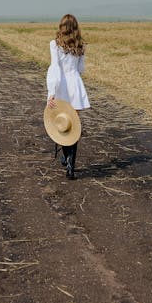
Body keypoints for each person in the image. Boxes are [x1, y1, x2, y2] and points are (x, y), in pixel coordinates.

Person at [46, 14, 90, 179]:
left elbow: (55, 69)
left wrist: (52, 92)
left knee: (63, 123)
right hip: (75, 86)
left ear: (61, 27)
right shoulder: (80, 45)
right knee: (74, 126)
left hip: (62, 87)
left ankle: (66, 158)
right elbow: (81, 69)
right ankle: (70, 166)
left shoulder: (54, 44)